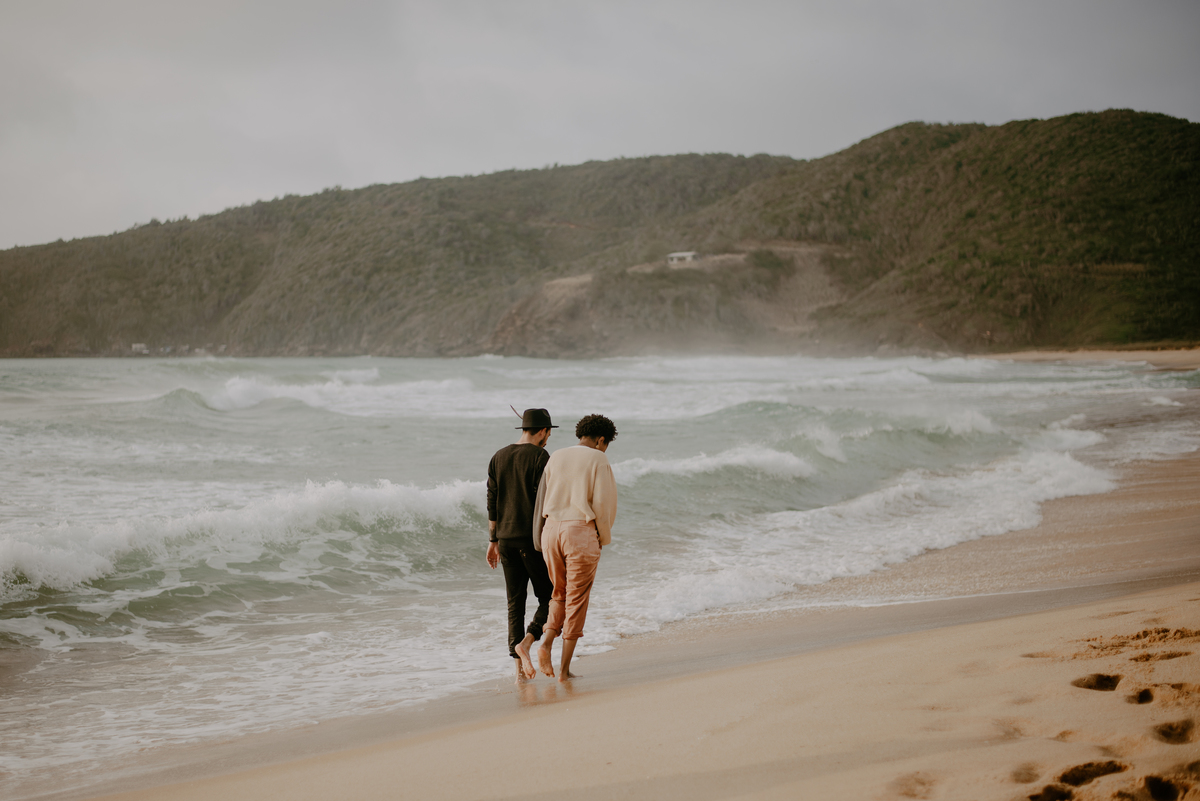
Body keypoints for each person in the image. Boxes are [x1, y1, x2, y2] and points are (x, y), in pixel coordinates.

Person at [532, 413, 618, 681]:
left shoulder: (556, 455)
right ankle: (564, 671)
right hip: (579, 531)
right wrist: (603, 538)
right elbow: (603, 506)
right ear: (601, 440)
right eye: (605, 444)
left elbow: (543, 496)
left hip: (551, 530)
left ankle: (545, 643)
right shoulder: (599, 458)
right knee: (577, 600)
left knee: (558, 593)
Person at [487, 408, 557, 681]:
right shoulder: (541, 457)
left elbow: (492, 501)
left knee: (514, 602)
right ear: (542, 431)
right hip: (532, 541)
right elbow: (546, 503)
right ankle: (527, 641)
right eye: (548, 433)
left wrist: (492, 540)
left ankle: (518, 670)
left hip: (504, 539)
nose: (548, 439)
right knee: (550, 597)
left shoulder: (498, 456)